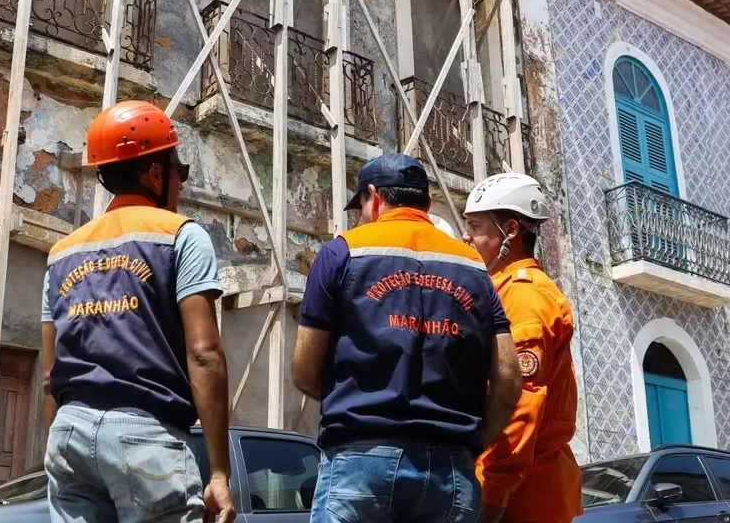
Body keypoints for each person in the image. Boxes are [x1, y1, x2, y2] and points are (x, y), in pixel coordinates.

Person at [292, 153, 523, 523]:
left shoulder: (341, 252)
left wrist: (357, 400)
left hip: (360, 462)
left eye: (363, 205)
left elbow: (304, 370)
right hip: (451, 468)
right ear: (428, 205)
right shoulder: (474, 268)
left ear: (375, 197)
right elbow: (510, 381)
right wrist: (474, 442)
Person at [41, 100, 235, 523]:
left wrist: (58, 444)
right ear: (153, 174)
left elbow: (49, 375)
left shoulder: (62, 254)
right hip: (146, 436)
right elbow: (204, 354)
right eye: (178, 172)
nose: (181, 185)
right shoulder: (183, 236)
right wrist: (219, 473)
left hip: (69, 432)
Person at [463, 173, 582, 523]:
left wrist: (493, 496)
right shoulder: (502, 291)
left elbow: (520, 403)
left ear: (511, 230)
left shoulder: (526, 296)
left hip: (524, 496)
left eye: (475, 226)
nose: (466, 236)